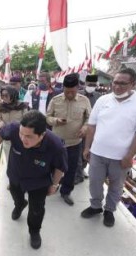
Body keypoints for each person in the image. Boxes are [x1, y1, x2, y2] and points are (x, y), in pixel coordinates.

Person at [0, 110, 68, 249]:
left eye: (29, 136)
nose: (23, 138)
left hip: (39, 182)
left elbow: (60, 167)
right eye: (21, 133)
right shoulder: (15, 128)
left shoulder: (55, 145)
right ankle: (20, 204)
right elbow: (0, 133)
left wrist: (54, 185)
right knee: (15, 194)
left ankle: (34, 231)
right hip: (16, 174)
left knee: (36, 210)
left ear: (42, 135)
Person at [81, 68, 136, 227]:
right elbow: (91, 126)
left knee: (116, 186)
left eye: (123, 84)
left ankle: (109, 210)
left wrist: (129, 157)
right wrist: (87, 147)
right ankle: (95, 206)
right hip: (97, 153)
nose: (117, 87)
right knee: (94, 182)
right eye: (115, 82)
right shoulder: (103, 100)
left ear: (133, 84)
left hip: (121, 157)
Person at [46, 73, 91, 206]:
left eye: (72, 91)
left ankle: (66, 192)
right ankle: (51, 186)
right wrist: (56, 120)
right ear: (63, 88)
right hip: (56, 142)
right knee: (53, 166)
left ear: (77, 87)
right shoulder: (55, 100)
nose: (69, 94)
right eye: (66, 91)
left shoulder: (84, 101)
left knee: (71, 169)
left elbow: (90, 118)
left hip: (74, 142)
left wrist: (85, 127)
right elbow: (47, 117)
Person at [75, 74, 102, 184]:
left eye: (93, 84)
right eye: (90, 84)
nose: (91, 86)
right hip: (80, 126)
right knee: (78, 150)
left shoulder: (99, 96)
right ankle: (78, 173)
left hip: (93, 128)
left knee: (88, 149)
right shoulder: (79, 94)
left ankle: (82, 169)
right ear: (85, 83)